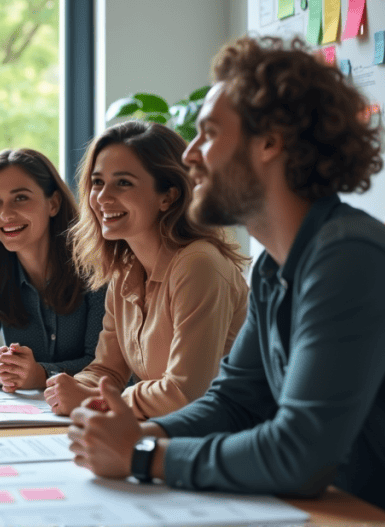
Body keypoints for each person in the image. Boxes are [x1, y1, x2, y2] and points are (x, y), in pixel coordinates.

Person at [67, 36, 385, 521]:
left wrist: (144, 457)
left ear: (270, 141)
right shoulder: (276, 266)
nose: (190, 156)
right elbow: (234, 401)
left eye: (208, 134)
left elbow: (299, 454)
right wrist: (142, 435)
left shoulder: (350, 260)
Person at [43, 121, 248, 420]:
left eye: (123, 183)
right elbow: (107, 370)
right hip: (168, 432)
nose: (102, 197)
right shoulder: (125, 272)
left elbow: (185, 393)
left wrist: (92, 400)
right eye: (97, 182)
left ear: (169, 196)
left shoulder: (199, 264)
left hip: (220, 438)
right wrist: (69, 387)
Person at [0, 149, 106, 391]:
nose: (5, 214)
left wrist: (42, 375)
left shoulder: (94, 266)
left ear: (53, 203)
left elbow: (103, 365)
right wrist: (0, 372)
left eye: (20, 198)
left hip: (88, 411)